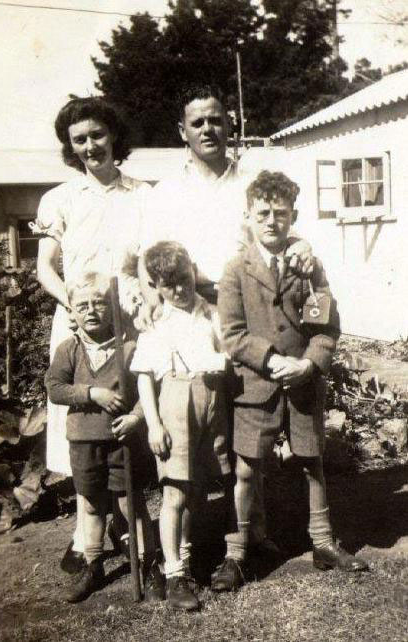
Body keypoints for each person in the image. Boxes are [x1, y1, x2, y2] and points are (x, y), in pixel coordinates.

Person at [138, 83, 313, 550]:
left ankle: (253, 531)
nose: (208, 129)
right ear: (182, 131)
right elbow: (145, 257)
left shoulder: (249, 181)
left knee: (248, 415)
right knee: (198, 419)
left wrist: (304, 246)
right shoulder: (167, 191)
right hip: (190, 311)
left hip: (247, 308)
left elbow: (281, 229)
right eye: (198, 122)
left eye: (216, 119)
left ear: (230, 123)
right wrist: (148, 296)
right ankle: (194, 537)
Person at [213, 170, 369, 592]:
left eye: (280, 214)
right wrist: (271, 360)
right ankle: (237, 552)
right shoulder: (235, 270)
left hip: (302, 384)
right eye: (262, 213)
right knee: (246, 472)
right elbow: (231, 333)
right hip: (255, 387)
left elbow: (326, 328)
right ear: (247, 215)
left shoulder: (309, 267)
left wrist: (309, 364)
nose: (270, 221)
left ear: (293, 216)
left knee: (312, 463)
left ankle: (322, 543)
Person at [33, 97, 149, 571]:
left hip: (130, 322)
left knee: (124, 415)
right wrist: (74, 308)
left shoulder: (142, 193)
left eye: (96, 135)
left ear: (114, 136)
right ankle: (86, 533)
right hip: (78, 321)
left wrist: (143, 295)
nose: (89, 146)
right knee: (80, 422)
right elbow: (44, 267)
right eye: (78, 139)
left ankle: (129, 526)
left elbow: (149, 259)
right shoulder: (59, 198)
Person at [45, 272, 164, 603]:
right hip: (84, 443)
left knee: (132, 504)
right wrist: (91, 394)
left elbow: (147, 391)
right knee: (92, 505)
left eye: (99, 303)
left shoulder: (129, 349)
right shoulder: (69, 350)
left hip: (122, 442)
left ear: (112, 307)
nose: (91, 310)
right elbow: (55, 389)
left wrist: (137, 418)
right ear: (72, 312)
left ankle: (149, 564)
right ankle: (93, 565)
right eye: (82, 305)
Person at [131, 242, 231, 611]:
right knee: (174, 493)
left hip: (210, 400)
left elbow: (226, 350)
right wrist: (154, 425)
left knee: (197, 489)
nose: (179, 290)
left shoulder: (209, 312)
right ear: (156, 285)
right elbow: (144, 377)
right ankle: (173, 573)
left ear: (194, 272)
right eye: (168, 284)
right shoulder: (157, 321)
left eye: (184, 280)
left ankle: (185, 559)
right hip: (175, 398)